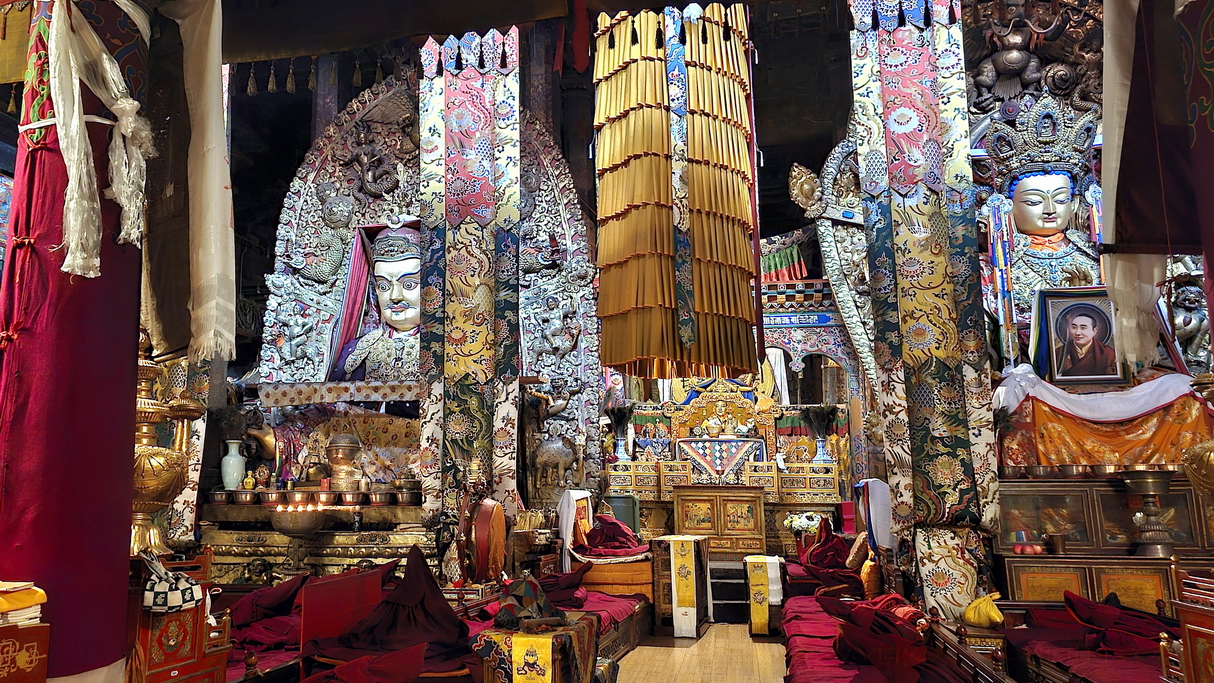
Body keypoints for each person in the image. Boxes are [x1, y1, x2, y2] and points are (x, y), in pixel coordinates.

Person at [1056, 309, 1117, 377]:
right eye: (1074, 327)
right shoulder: (1059, 353)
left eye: (1083, 328)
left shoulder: (1107, 353)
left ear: (1094, 331)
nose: (1077, 333)